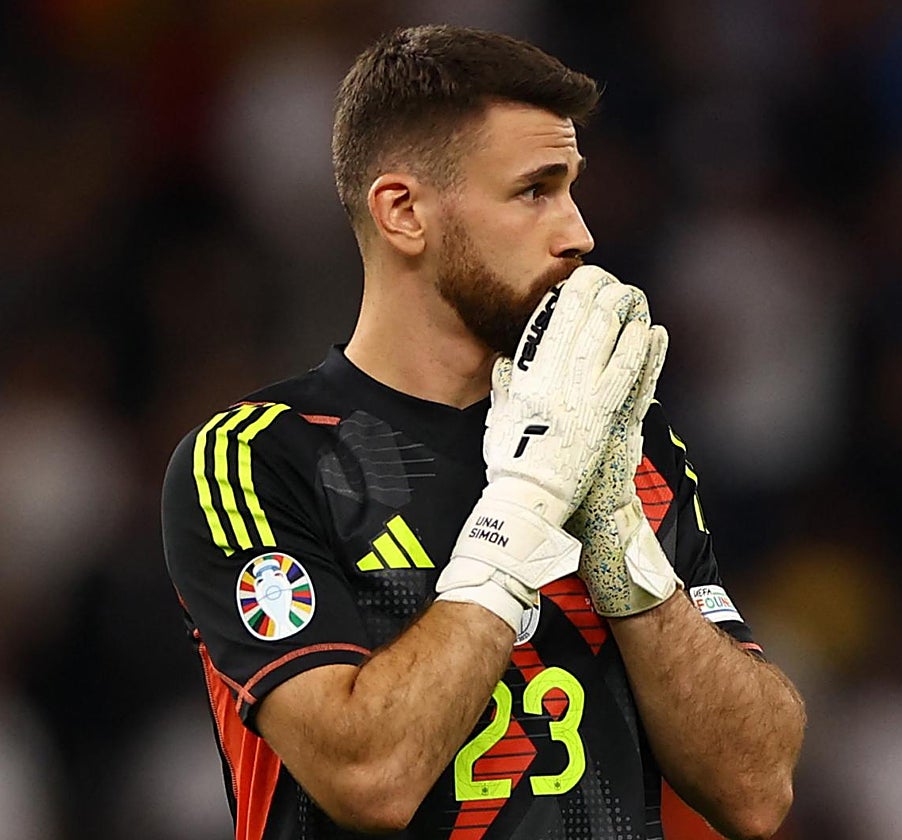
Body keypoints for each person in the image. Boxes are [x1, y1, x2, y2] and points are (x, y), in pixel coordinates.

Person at [161, 24, 805, 840]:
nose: (579, 233)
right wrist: (525, 505)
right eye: (535, 190)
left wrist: (620, 547)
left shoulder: (626, 446)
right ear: (402, 212)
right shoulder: (258, 459)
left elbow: (757, 790)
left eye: (572, 187)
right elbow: (370, 775)